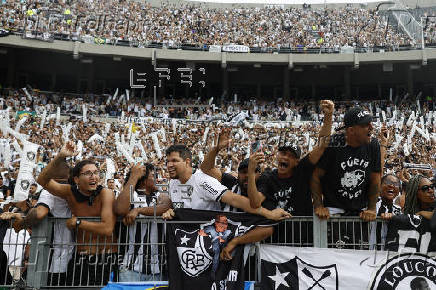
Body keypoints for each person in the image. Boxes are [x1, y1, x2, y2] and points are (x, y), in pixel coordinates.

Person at [162, 144, 290, 259]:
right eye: (167, 161)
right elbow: (206, 168)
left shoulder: (203, 181)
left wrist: (269, 214)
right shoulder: (173, 183)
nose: (169, 165)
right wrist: (172, 213)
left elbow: (239, 200)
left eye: (174, 161)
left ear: (187, 161)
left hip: (226, 249)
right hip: (193, 248)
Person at [36, 141, 118, 286]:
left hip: (107, 258)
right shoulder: (69, 192)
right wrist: (60, 156)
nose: (93, 177)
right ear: (76, 179)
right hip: (81, 259)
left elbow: (107, 228)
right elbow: (42, 180)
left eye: (96, 173)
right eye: (87, 173)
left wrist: (79, 223)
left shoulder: (106, 193)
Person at [247, 100, 334, 216]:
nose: (286, 157)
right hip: (277, 231)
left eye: (291, 156)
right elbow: (255, 202)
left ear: (297, 162)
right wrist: (251, 172)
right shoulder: (268, 177)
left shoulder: (302, 172)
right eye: (283, 153)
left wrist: (328, 116)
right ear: (277, 155)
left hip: (301, 231)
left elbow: (322, 146)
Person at [311, 106, 381, 221]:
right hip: (333, 211)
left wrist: (372, 208)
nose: (371, 128)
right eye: (365, 125)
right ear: (351, 130)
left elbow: (375, 178)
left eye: (371, 123)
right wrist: (318, 205)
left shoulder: (373, 144)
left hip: (361, 212)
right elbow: (316, 175)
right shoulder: (333, 143)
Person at [114, 163, 171, 282]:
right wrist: (133, 177)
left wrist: (139, 210)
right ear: (144, 181)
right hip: (131, 268)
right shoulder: (133, 195)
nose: (158, 178)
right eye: (154, 176)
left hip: (159, 269)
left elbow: (166, 206)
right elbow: (119, 209)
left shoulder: (160, 195)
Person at [200, 128, 261, 212]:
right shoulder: (231, 182)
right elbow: (206, 169)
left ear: (260, 174)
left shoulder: (264, 188)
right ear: (238, 174)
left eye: (252, 171)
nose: (247, 175)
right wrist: (217, 149)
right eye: (243, 172)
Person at [369, 174, 402, 250]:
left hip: (389, 255)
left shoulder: (398, 210)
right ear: (379, 186)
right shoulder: (371, 206)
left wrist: (394, 218)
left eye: (396, 184)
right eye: (387, 182)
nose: (391, 185)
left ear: (398, 191)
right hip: (369, 253)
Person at [198, 214, 231, 279]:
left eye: (226, 224)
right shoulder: (210, 229)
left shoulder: (228, 232)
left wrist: (223, 241)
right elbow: (199, 234)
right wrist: (207, 236)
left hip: (221, 257)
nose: (224, 226)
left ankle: (214, 275)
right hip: (206, 254)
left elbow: (229, 244)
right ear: (216, 223)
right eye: (222, 223)